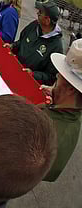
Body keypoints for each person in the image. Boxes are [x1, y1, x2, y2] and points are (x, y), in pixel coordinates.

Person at [38, 39, 82, 182]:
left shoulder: (49, 133)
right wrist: (56, 93)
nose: (56, 77)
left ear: (70, 88)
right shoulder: (72, 111)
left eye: (60, 76)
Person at [6, 0, 63, 85]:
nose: (37, 13)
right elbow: (21, 41)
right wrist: (12, 46)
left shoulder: (56, 47)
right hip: (13, 69)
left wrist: (33, 74)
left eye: (40, 12)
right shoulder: (34, 25)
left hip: (26, 83)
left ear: (47, 20)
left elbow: (51, 77)